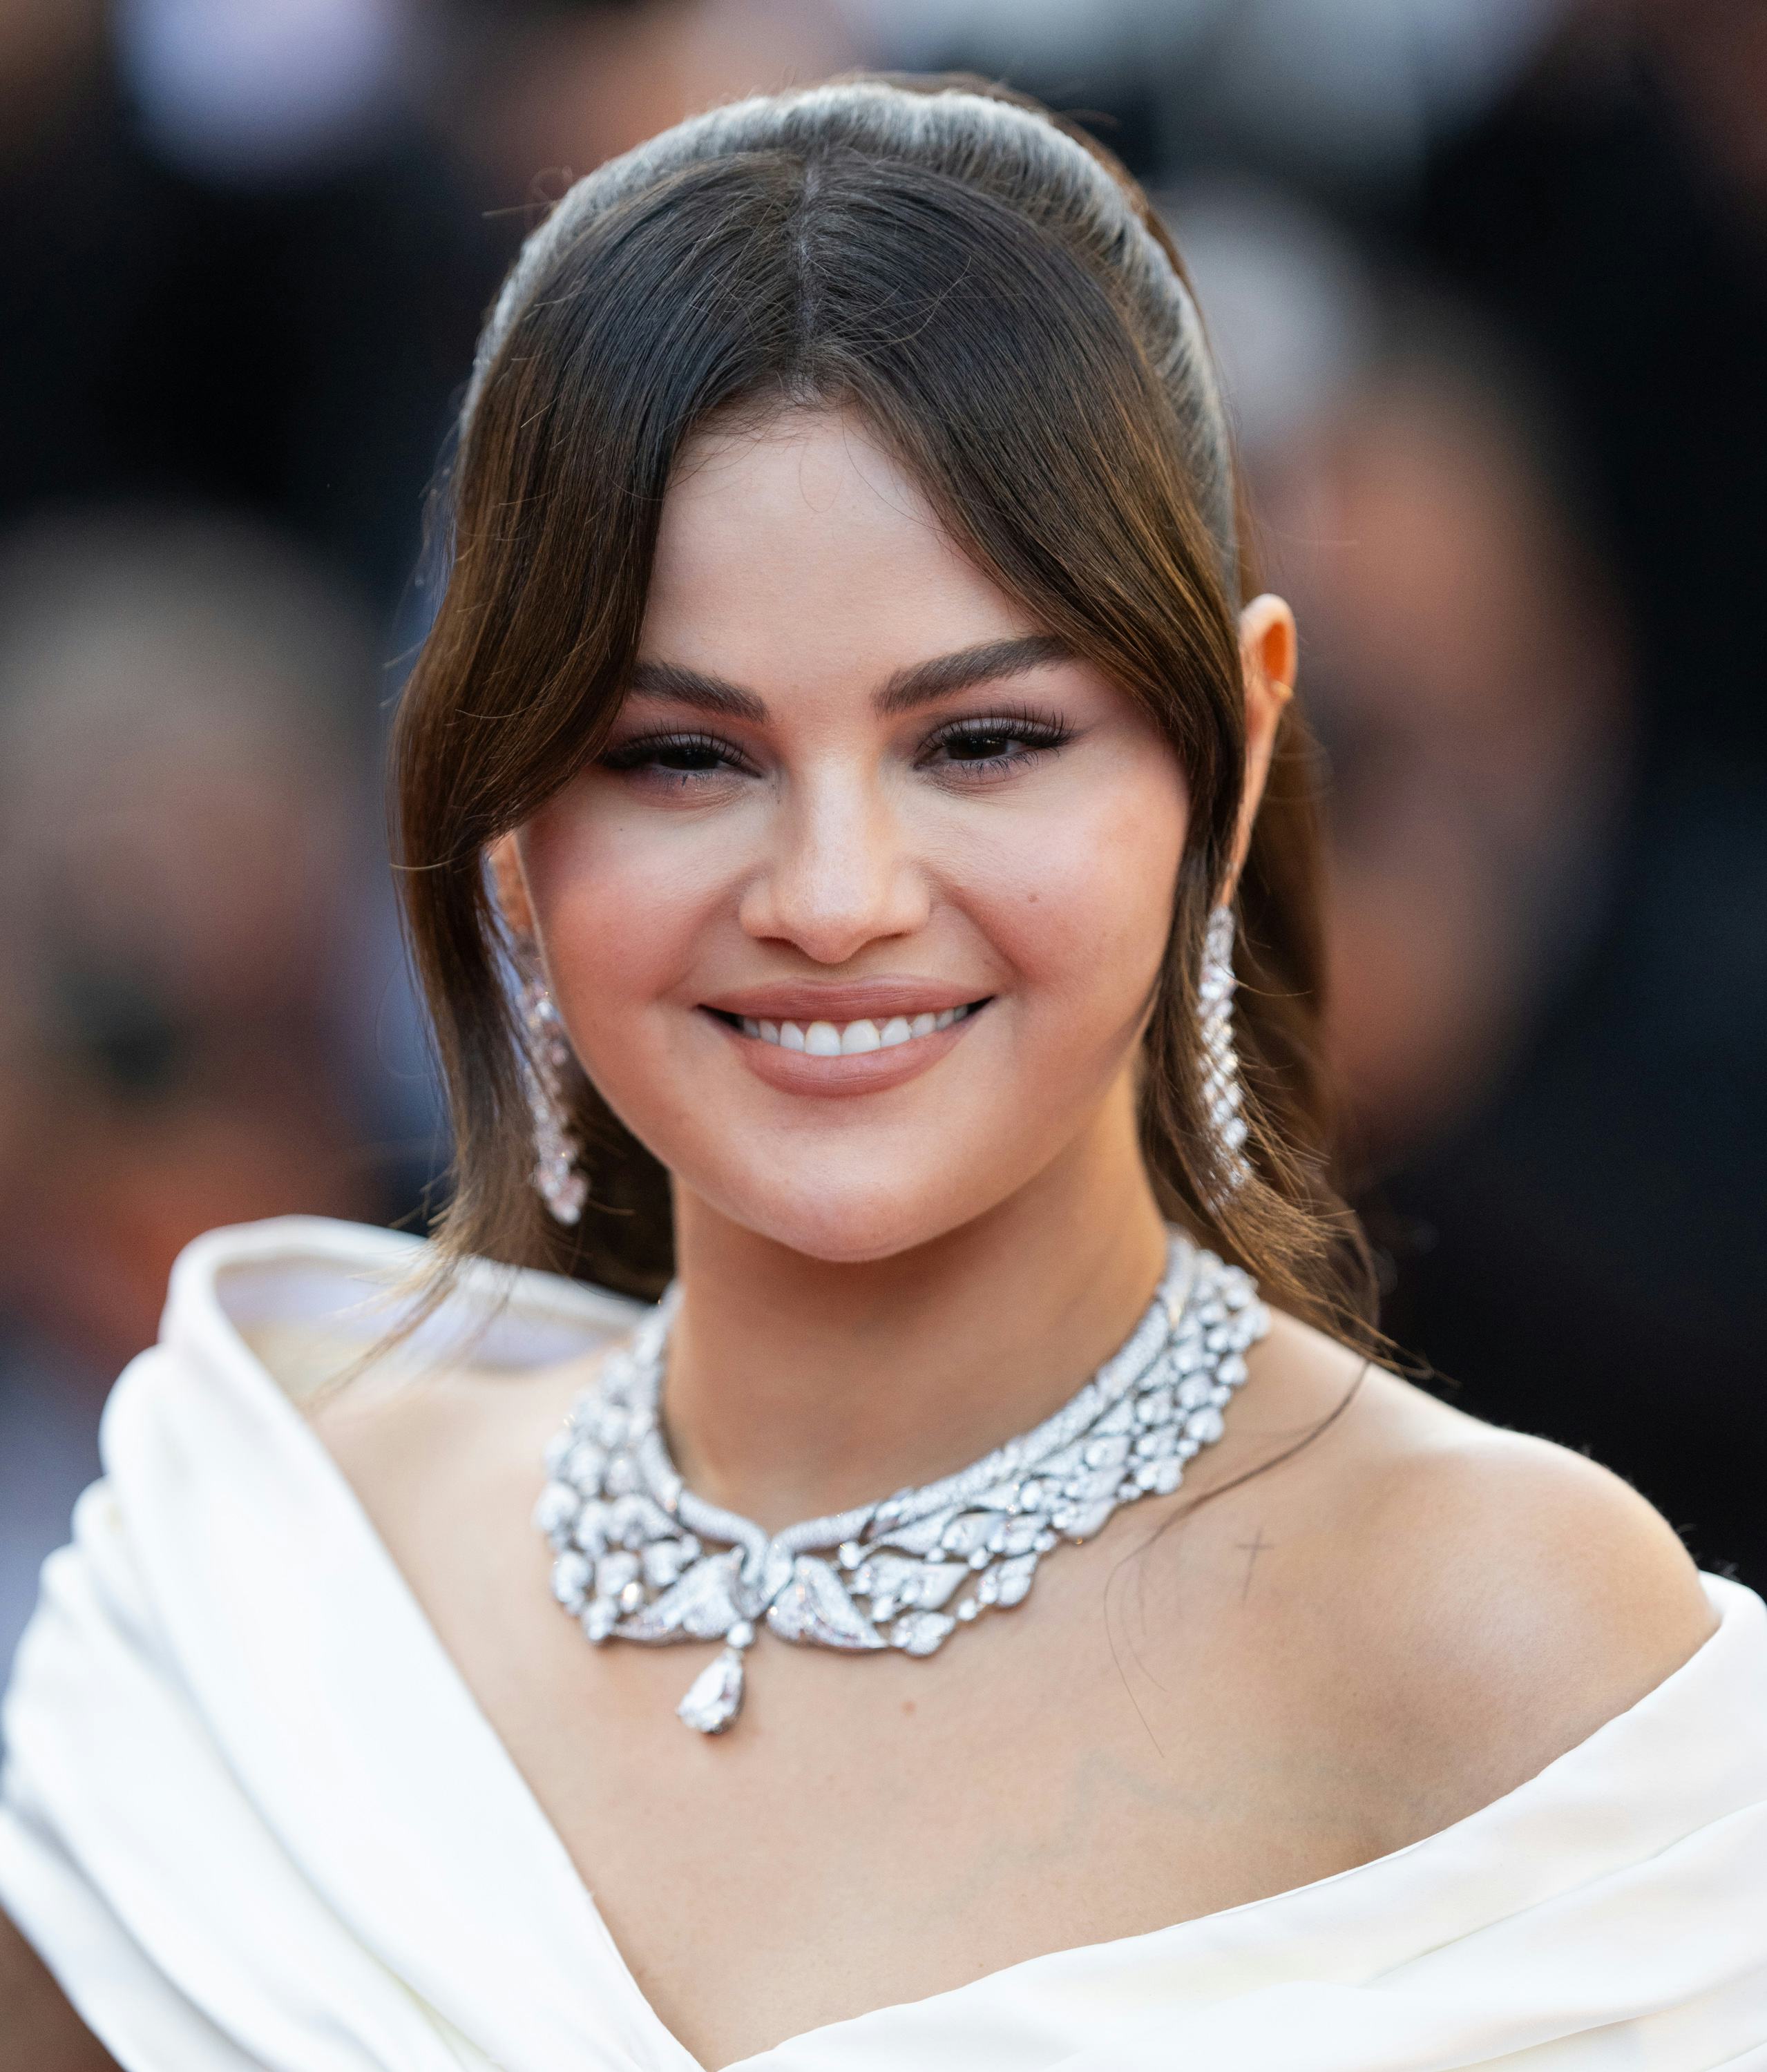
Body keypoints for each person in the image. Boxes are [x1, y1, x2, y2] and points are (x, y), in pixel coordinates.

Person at [2, 75, 1763, 2072]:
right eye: (681, 756)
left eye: (986, 742)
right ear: (505, 821)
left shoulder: (1507, 1637)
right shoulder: (265, 1564)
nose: (834, 899)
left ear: (1237, 752)